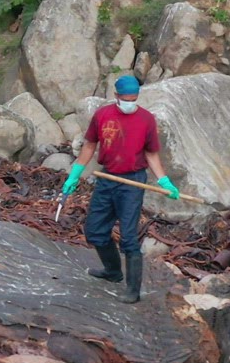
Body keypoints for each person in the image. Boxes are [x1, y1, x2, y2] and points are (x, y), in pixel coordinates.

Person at [61, 75, 179, 303]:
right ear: (116, 96)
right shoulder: (103, 115)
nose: (129, 103)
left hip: (132, 183)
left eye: (133, 99)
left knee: (128, 238)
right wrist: (75, 174)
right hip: (107, 178)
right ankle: (113, 272)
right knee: (95, 230)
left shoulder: (146, 119)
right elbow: (89, 146)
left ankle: (133, 291)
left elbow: (151, 153)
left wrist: (164, 180)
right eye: (125, 98)